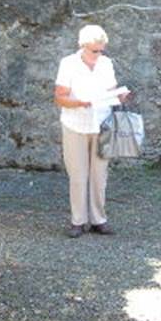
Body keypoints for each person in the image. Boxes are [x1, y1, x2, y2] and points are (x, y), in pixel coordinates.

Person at [53, 24, 131, 238]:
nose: (99, 54)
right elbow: (59, 97)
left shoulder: (106, 64)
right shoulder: (68, 64)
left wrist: (120, 95)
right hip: (75, 124)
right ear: (83, 46)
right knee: (78, 175)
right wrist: (79, 102)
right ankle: (78, 221)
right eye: (95, 50)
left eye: (101, 50)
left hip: (102, 122)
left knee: (100, 175)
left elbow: (111, 91)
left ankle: (99, 219)